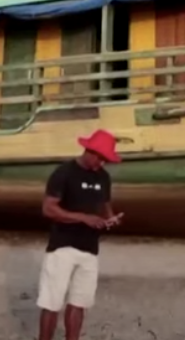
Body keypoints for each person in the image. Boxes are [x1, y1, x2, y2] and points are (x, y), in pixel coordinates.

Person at [36, 129, 124, 340]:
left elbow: (105, 205)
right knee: (52, 303)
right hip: (62, 247)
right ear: (89, 151)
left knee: (79, 303)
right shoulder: (64, 173)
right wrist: (83, 218)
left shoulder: (103, 177)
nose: (102, 163)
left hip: (90, 250)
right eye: (101, 158)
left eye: (106, 160)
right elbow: (48, 209)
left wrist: (110, 218)